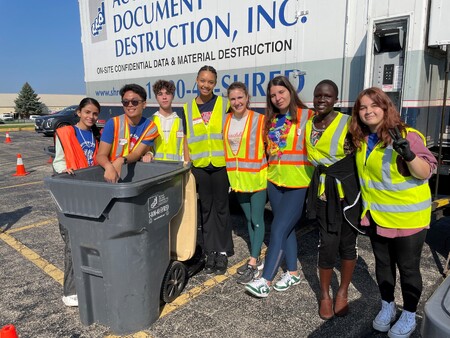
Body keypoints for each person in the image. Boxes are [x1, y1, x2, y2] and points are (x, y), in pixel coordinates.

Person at [349, 87, 437, 338]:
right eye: (362, 107)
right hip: (377, 216)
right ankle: (387, 306)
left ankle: (409, 313)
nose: (368, 111)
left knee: (408, 269)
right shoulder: (362, 139)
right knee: (383, 265)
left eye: (374, 105)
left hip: (408, 219)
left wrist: (408, 154)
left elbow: (425, 171)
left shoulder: (408, 134)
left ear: (386, 107)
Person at [245, 75, 314, 297]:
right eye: (273, 95)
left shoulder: (307, 116)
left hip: (298, 182)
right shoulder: (271, 120)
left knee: (278, 228)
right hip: (275, 181)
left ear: (290, 92)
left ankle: (265, 280)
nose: (278, 98)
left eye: (281, 92)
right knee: (287, 229)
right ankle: (293, 273)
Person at [305, 80, 361, 320]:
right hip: (324, 195)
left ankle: (343, 292)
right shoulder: (310, 124)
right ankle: (325, 295)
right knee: (327, 246)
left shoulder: (348, 123)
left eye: (327, 96)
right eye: (318, 95)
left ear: (336, 99)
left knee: (347, 245)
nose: (321, 100)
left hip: (347, 195)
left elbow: (361, 154)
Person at [183, 65, 233, 275]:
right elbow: (186, 138)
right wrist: (187, 164)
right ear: (196, 80)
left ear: (215, 83)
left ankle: (222, 252)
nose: (206, 85)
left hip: (221, 165)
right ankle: (210, 251)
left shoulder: (224, 104)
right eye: (203, 80)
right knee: (206, 210)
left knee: (221, 208)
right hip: (200, 166)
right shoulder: (187, 108)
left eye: (210, 82)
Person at [52, 97, 101, 306]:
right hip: (70, 189)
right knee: (72, 240)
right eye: (87, 112)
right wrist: (63, 169)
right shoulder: (66, 133)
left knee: (91, 239)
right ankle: (71, 291)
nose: (91, 117)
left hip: (89, 190)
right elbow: (58, 161)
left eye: (95, 113)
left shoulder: (95, 134)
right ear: (79, 112)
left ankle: (91, 283)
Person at [223, 82, 267, 284]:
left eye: (240, 97)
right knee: (249, 219)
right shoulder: (226, 121)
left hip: (257, 178)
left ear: (247, 98)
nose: (237, 102)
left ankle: (253, 262)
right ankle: (255, 256)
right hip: (238, 180)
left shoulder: (260, 120)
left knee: (257, 220)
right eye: (233, 99)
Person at [96, 84, 159, 182]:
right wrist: (109, 167)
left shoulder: (150, 127)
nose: (130, 105)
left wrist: (122, 160)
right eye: (125, 102)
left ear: (144, 104)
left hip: (136, 175)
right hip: (111, 175)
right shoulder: (113, 123)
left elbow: (137, 153)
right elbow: (101, 155)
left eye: (134, 102)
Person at [142, 80, 187, 163]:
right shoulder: (149, 122)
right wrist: (148, 154)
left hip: (177, 170)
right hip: (157, 169)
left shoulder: (182, 123)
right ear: (156, 97)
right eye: (160, 94)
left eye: (167, 93)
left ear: (172, 96)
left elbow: (186, 149)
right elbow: (145, 148)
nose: (164, 97)